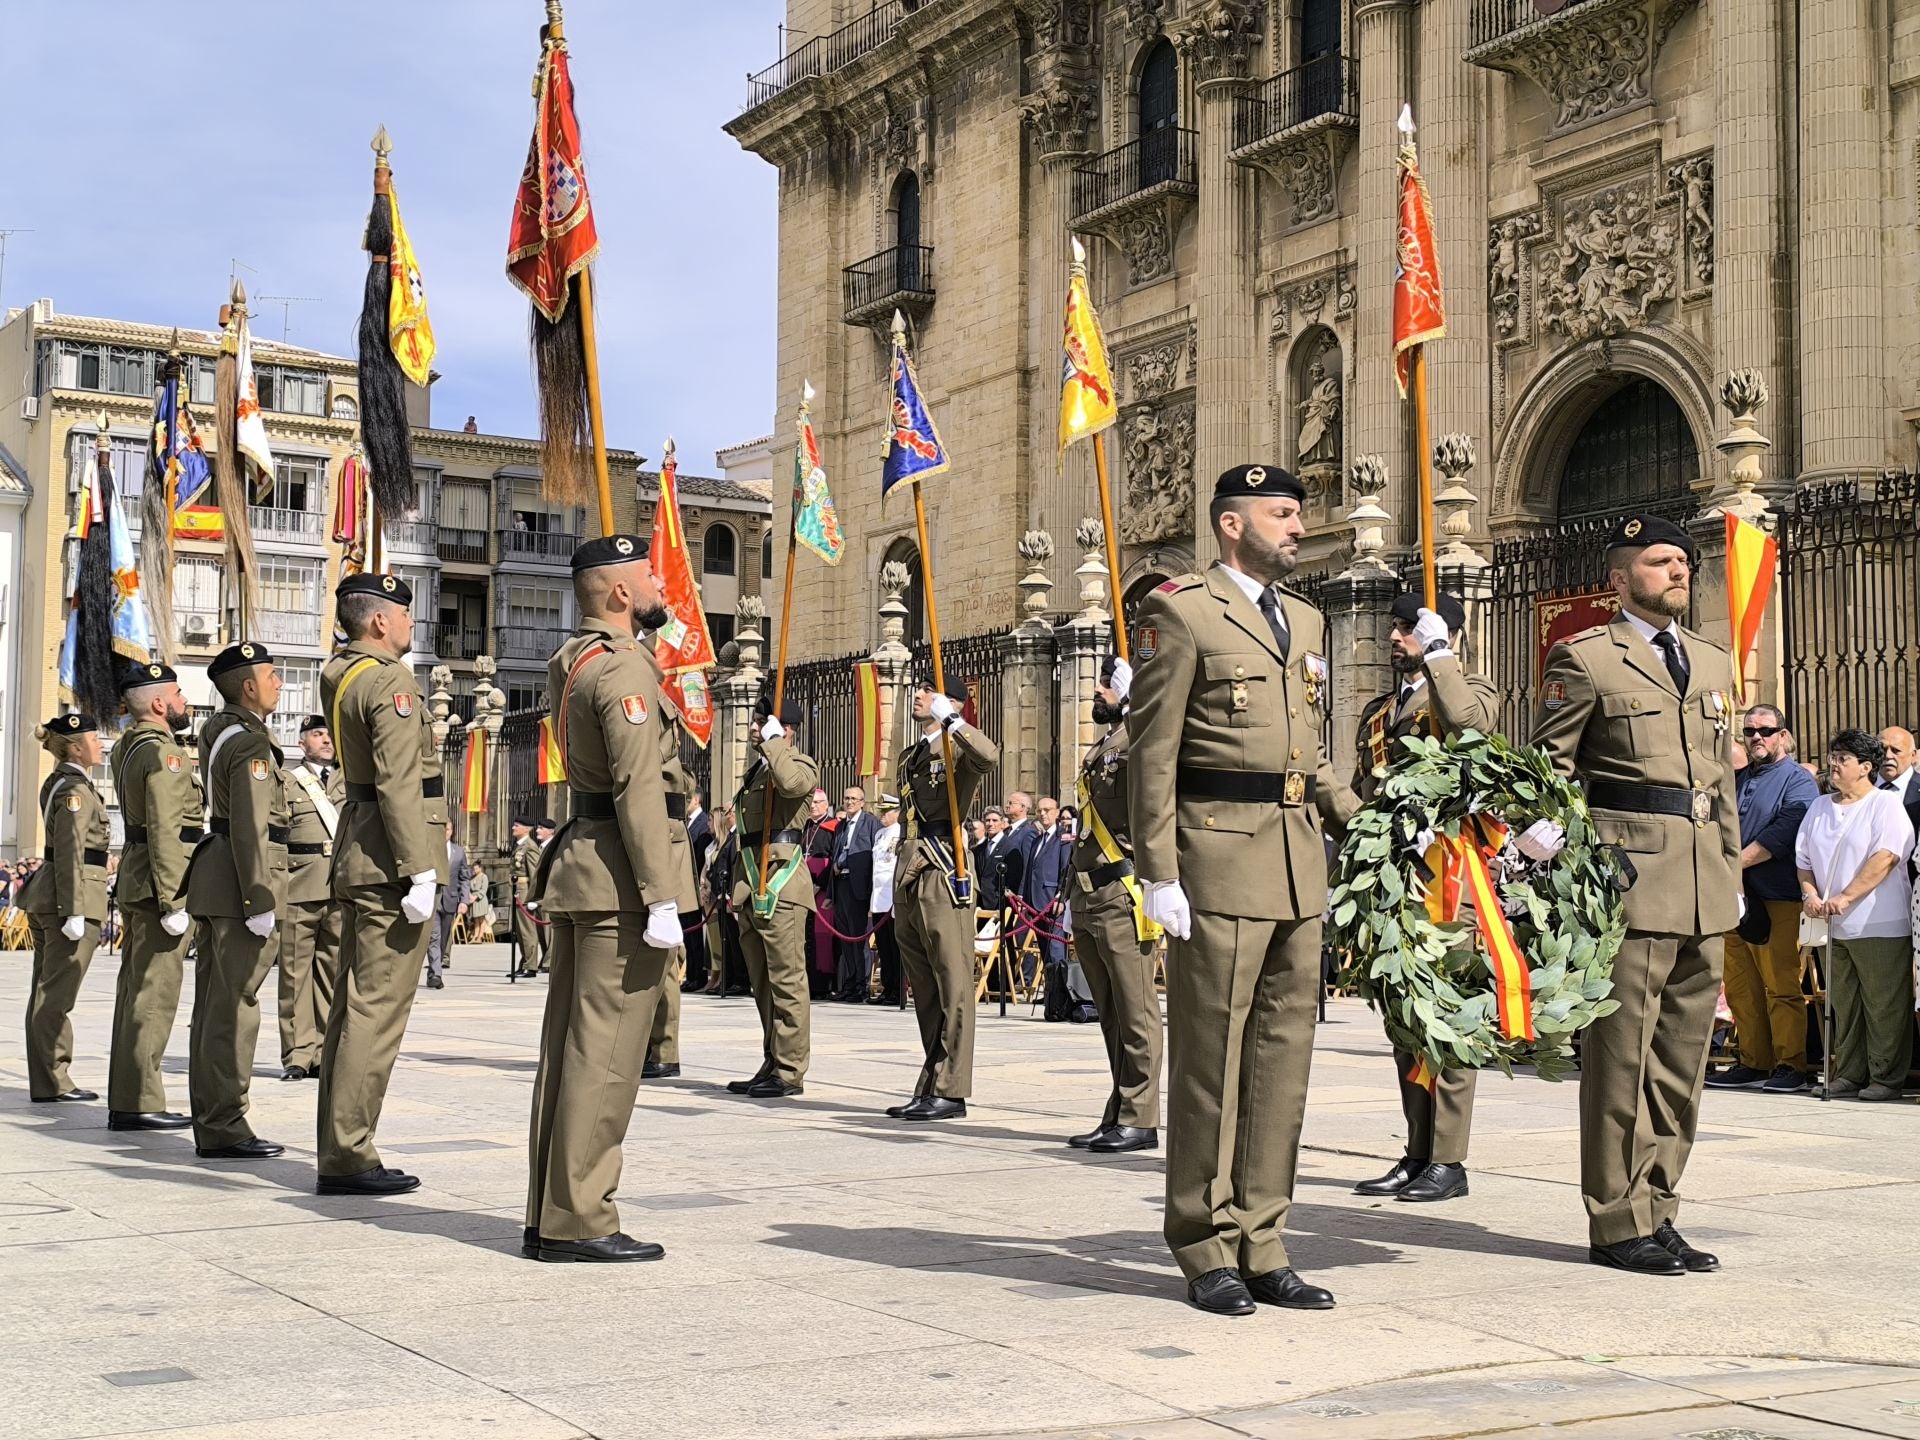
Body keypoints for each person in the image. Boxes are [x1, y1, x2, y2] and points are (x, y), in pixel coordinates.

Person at [1127, 462, 1357, 1316]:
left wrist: (1358, 818)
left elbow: (1311, 747)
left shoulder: (1304, 618)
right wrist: (1158, 871)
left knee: (1282, 1066)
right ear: (1232, 524)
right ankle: (1201, 1239)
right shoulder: (1182, 610)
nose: (1299, 526)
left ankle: (1264, 1237)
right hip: (1217, 859)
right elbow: (1153, 753)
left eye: (1299, 514)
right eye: (1283, 514)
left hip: (1298, 861)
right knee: (1211, 1064)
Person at [1531, 513, 1739, 1277]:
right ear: (1620, 580)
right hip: (1628, 879)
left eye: (1683, 560)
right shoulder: (1586, 657)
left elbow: (1721, 784)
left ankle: (1660, 1204)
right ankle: (1617, 1219)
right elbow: (1550, 768)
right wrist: (1555, 854)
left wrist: (1731, 877)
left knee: (1683, 1061)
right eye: (1660, 561)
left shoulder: (1714, 664)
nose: (1679, 570)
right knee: (1622, 1058)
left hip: (1702, 885)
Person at [524, 534, 680, 1262]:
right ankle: (582, 1215)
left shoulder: (574, 659)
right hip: (620, 878)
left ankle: (552, 1207)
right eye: (646, 574)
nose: (658, 582)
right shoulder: (623, 672)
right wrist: (659, 894)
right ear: (620, 593)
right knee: (607, 1055)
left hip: (585, 865)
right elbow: (639, 788)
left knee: (570, 1049)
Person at [1350, 591, 1500, 1204]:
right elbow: (1367, 784)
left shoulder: (1470, 686)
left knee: (1451, 1013)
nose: (1395, 637)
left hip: (1449, 871)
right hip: (1395, 870)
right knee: (1405, 1016)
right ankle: (1417, 1150)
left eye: (1409, 627)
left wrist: (1441, 654)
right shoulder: (1381, 711)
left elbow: (1469, 727)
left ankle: (1450, 1157)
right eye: (1395, 627)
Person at [317, 573, 448, 1197]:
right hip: (393, 858)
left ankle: (339, 1144)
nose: (410, 622)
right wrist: (419, 868)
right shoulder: (390, 680)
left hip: (358, 846)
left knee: (351, 1008)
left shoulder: (338, 673)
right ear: (377, 623)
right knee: (377, 1010)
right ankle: (349, 1152)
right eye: (403, 612)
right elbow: (399, 780)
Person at [182, 643, 291, 1161]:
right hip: (239, 880)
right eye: (271, 676)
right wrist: (259, 896)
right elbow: (250, 824)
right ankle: (225, 1123)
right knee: (234, 1008)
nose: (279, 683)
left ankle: (213, 1117)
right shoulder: (249, 742)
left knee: (214, 1007)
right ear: (248, 687)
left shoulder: (220, 728)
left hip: (218, 873)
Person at [890, 677, 1001, 1120]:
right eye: (918, 690)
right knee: (926, 988)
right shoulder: (911, 756)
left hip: (943, 867)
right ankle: (931, 1080)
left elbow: (989, 756)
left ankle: (952, 1089)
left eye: (927, 691)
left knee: (953, 984)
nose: (917, 696)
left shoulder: (957, 748)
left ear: (949, 702)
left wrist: (952, 719)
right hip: (912, 869)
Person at [1068, 654, 1162, 1153]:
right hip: (1089, 890)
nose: (1097, 692)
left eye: (1107, 685)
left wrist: (1140, 707)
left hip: (1124, 889)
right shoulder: (1105, 743)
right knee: (1108, 1010)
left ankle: (1141, 1115)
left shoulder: (1138, 738)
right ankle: (1119, 1106)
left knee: (1136, 1009)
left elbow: (1155, 778)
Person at [1796, 728, 1915, 1101]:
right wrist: (1810, 893)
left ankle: (1885, 1077)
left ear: (1865, 767)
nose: (1833, 764)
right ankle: (1848, 1072)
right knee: (1844, 1004)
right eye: (1833, 756)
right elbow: (1803, 860)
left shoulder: (1885, 806)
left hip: (1878, 922)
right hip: (1831, 924)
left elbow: (1886, 857)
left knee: (1883, 1005)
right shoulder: (1819, 806)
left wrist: (1846, 897)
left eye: (1843, 758)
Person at [106, 664, 198, 1128]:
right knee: (153, 996)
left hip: (138, 878)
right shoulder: (163, 752)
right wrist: (173, 900)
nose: (185, 701)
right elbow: (166, 828)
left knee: (136, 992)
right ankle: (140, 1101)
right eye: (179, 694)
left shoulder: (130, 745)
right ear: (159, 704)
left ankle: (129, 1096)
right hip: (159, 884)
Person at [1710, 705, 1820, 1093]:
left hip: (1776, 897)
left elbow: (1783, 833)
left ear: (1783, 736)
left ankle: (1791, 1064)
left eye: (1766, 730)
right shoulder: (1738, 779)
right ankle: (1754, 1061)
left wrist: (1732, 865)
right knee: (1741, 985)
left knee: (1781, 985)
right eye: (1750, 731)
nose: (1757, 737)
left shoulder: (1798, 782)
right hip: (1734, 898)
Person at [728, 697, 821, 1098]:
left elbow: (794, 786)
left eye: (761, 721)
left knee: (787, 981)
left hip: (781, 883)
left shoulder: (799, 763)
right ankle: (772, 1059)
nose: (753, 727)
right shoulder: (757, 771)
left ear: (786, 729)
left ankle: (789, 1069)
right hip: (752, 880)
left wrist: (775, 745)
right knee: (762, 983)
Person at [20, 713, 110, 1105]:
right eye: (94, 739)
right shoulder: (73, 789)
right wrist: (74, 910)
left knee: (47, 990)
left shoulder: (65, 783)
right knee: (56, 994)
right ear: (75, 747)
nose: (100, 745)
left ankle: (49, 1078)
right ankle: (53, 1080)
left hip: (55, 894)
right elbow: (73, 848)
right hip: (69, 897)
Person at [279, 715, 346, 1077]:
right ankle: (298, 1053)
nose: (325, 740)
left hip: (338, 886)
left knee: (332, 972)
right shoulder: (288, 781)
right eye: (317, 735)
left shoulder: (348, 780)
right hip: (299, 883)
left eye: (328, 735)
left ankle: (325, 1051)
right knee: (293, 973)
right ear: (302, 743)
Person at [642, 708, 701, 1081]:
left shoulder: (670, 770)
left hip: (665, 867)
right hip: (656, 864)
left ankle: (663, 1050)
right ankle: (652, 1047)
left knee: (662, 966)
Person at [830, 784, 881, 1001]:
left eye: (854, 798)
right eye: (846, 798)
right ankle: (850, 984)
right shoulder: (842, 826)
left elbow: (873, 858)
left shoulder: (870, 824)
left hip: (859, 888)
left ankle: (861, 985)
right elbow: (835, 856)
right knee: (846, 937)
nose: (849, 802)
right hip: (841, 885)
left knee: (859, 938)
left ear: (862, 802)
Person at [425, 820, 472, 991]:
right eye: (442, 829)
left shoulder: (458, 852)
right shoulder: (429, 849)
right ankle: (436, 974)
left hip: (450, 901)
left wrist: (464, 900)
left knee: (444, 939)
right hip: (433, 901)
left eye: (448, 829)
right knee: (434, 938)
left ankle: (434, 969)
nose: (445, 832)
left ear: (452, 831)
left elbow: (464, 877)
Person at [869, 796, 904, 1005]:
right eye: (881, 811)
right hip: (879, 897)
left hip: (892, 897)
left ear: (897, 813)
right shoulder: (880, 834)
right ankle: (887, 988)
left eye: (886, 812)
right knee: (883, 947)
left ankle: (898, 990)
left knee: (895, 946)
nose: (882, 815)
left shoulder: (901, 832)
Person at [681, 789, 715, 990]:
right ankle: (691, 975)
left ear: (696, 799)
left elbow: (700, 856)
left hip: (695, 885)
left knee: (695, 933)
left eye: (687, 799)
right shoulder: (688, 823)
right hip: (685, 886)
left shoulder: (702, 823)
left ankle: (698, 976)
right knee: (688, 932)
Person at [510, 817, 545, 978]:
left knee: (527, 931)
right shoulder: (519, 847)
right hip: (518, 892)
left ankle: (531, 966)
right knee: (519, 931)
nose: (513, 828)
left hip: (525, 894)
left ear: (526, 829)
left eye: (517, 826)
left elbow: (535, 875)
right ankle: (524, 962)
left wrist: (535, 899)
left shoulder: (529, 847)